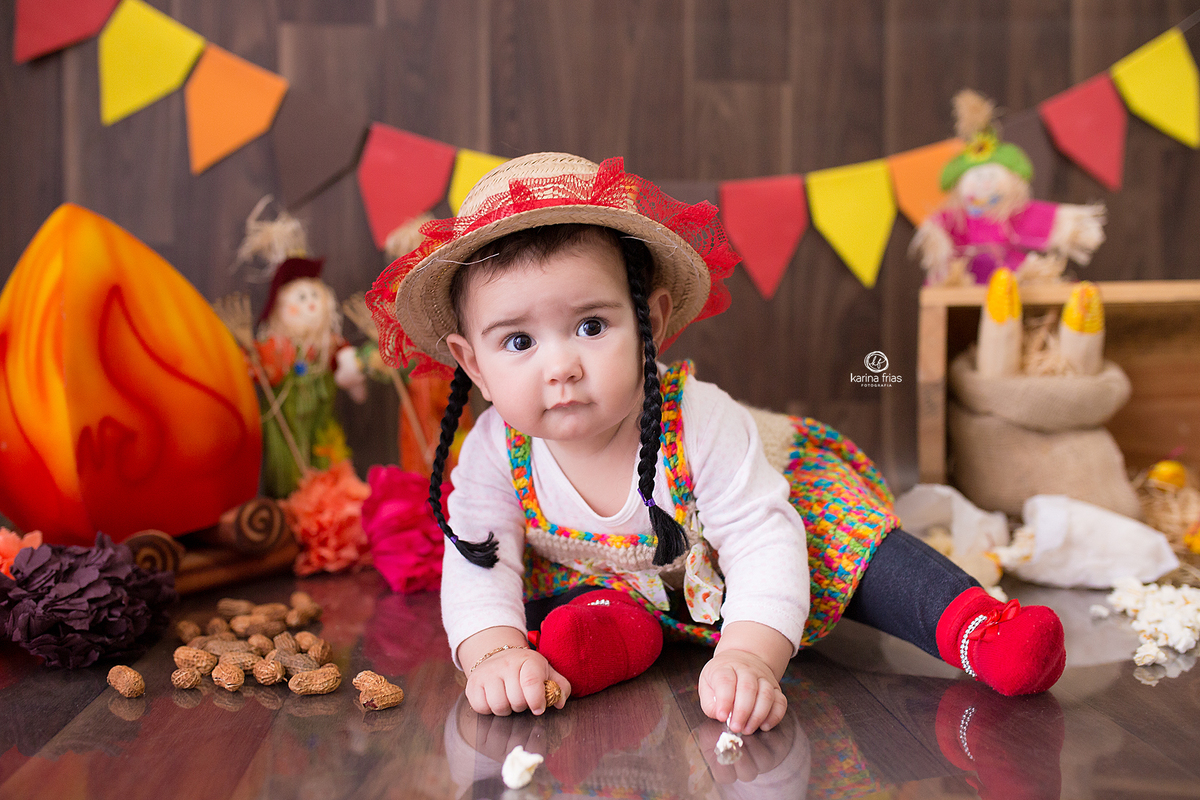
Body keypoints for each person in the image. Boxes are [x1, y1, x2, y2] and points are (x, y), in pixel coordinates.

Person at [366, 152, 1067, 736]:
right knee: (554, 604)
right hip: (634, 583)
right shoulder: (493, 450)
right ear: (473, 365)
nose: (562, 366)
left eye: (591, 326)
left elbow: (763, 543)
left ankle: (977, 628)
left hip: (767, 535)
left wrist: (751, 657)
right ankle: (607, 641)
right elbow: (480, 561)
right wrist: (491, 653)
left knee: (848, 548)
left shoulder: (699, 418)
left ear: (651, 322)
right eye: (518, 341)